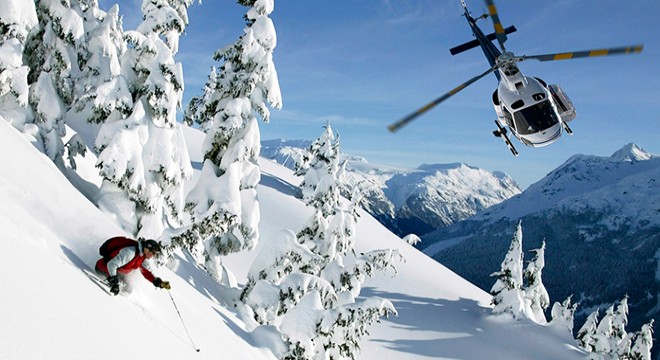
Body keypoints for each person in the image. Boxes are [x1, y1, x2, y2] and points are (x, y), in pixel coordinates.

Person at [95, 237, 171, 296]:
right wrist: (114, 282)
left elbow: (147, 272)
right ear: (146, 249)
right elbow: (111, 265)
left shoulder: (142, 257)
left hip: (117, 274)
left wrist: (157, 282)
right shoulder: (130, 252)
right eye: (152, 253)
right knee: (119, 290)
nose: (152, 256)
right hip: (104, 268)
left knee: (128, 290)